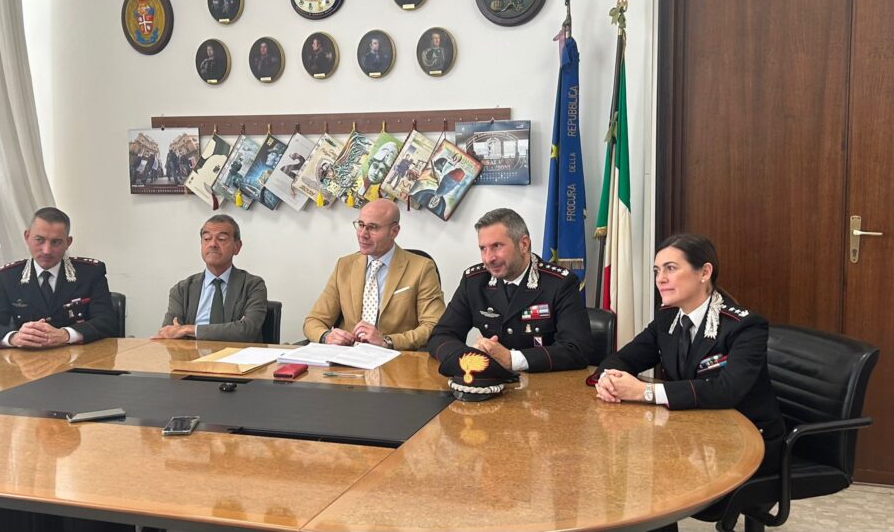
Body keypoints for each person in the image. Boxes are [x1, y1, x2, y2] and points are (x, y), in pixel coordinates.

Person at [594, 234, 785, 476]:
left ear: (704, 272)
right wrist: (609, 380)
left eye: (671, 268)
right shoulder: (667, 317)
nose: (660, 279)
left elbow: (727, 390)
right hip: (693, 435)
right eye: (656, 271)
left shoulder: (744, 326)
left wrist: (644, 392)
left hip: (748, 443)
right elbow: (624, 358)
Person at [427, 208, 592, 372]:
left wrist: (512, 359)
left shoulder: (560, 283)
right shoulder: (474, 281)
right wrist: (469, 358)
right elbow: (441, 335)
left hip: (543, 383)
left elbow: (577, 349)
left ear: (523, 244)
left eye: (497, 246)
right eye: (483, 248)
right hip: (490, 380)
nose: (488, 258)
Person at [304, 199, 445, 351]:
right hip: (348, 357)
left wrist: (387, 341)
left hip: (395, 358)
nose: (363, 234)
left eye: (372, 227)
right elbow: (313, 320)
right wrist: (326, 336)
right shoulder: (344, 265)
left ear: (394, 231)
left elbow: (433, 325)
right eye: (361, 225)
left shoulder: (422, 268)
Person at [0, 207, 117, 348]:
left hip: (81, 357)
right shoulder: (8, 277)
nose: (47, 250)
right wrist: (15, 338)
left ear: (68, 242)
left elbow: (107, 322)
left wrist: (66, 335)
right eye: (39, 240)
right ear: (27, 236)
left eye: (56, 242)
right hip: (28, 359)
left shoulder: (90, 272)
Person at [156, 215, 267, 341]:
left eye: (221, 239)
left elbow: (247, 330)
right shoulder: (182, 289)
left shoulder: (253, 285)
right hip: (190, 353)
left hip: (236, 353)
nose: (213, 244)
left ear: (237, 247)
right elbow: (169, 331)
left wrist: (189, 329)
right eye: (207, 239)